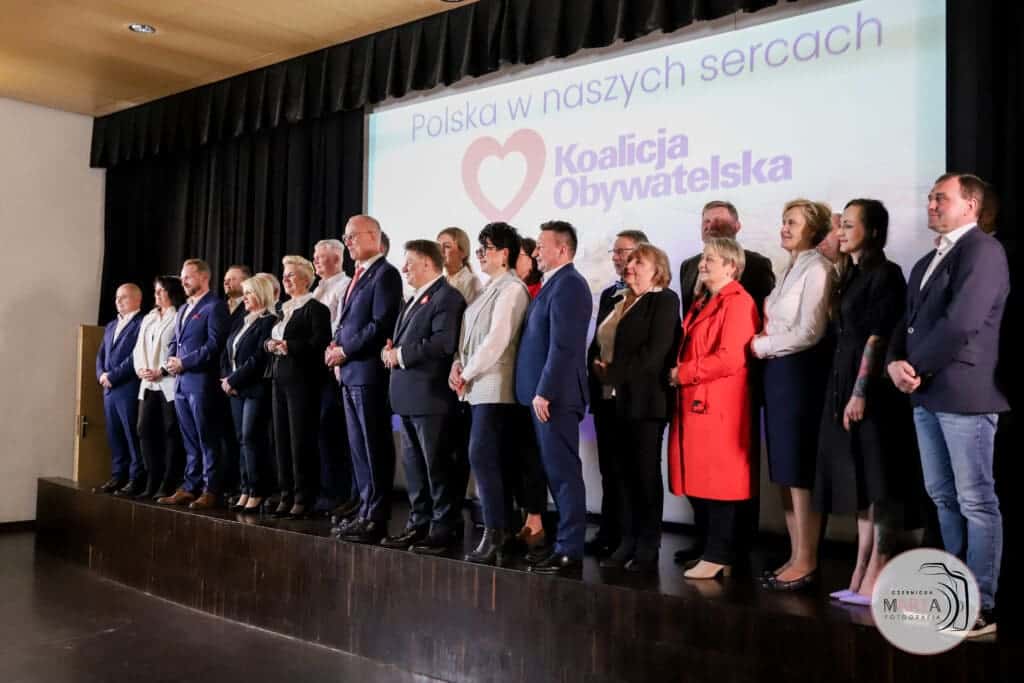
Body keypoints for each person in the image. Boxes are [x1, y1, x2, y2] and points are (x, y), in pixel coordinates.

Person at [887, 173, 1010, 637]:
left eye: (941, 197)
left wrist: (914, 366)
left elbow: (963, 322)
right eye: (930, 198)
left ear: (971, 205)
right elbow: (906, 322)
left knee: (976, 500)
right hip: (925, 393)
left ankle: (981, 604)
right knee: (943, 496)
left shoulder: (983, 251)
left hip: (964, 394)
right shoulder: (926, 260)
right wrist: (894, 362)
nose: (931, 204)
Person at [815, 199, 923, 604]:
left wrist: (860, 393)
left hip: (875, 393)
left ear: (873, 230)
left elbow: (878, 337)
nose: (841, 232)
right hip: (842, 384)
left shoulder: (887, 274)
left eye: (849, 225)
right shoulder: (851, 275)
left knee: (880, 484)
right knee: (861, 484)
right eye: (840, 225)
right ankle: (860, 570)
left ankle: (879, 571)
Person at [751, 200, 833, 590]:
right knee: (783, 469)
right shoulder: (789, 268)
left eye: (792, 223)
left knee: (799, 469)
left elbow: (810, 331)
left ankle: (807, 559)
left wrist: (761, 346)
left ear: (812, 229)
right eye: (783, 221)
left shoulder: (818, 268)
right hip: (779, 372)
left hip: (801, 373)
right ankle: (795, 553)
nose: (784, 228)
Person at [668, 237, 758, 579]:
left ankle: (719, 554)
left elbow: (730, 358)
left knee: (720, 481)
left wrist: (683, 373)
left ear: (732, 266)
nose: (702, 264)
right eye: (704, 258)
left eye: (710, 259)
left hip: (720, 404)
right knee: (701, 479)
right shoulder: (705, 300)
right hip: (698, 401)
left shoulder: (738, 303)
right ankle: (712, 550)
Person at [593, 243, 680, 572]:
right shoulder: (620, 299)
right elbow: (601, 344)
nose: (629, 266)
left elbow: (655, 353)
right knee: (621, 474)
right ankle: (626, 540)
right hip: (613, 401)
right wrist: (597, 370)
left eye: (638, 262)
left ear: (657, 269)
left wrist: (613, 373)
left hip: (646, 402)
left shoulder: (665, 300)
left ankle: (647, 545)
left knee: (644, 475)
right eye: (628, 261)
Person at [450, 223, 531, 564]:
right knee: (486, 459)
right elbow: (469, 338)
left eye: (488, 248)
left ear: (505, 253)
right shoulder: (487, 289)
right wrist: (457, 364)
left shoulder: (512, 289)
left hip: (496, 388)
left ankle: (495, 531)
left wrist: (467, 372)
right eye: (480, 247)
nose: (481, 254)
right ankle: (501, 531)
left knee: (484, 458)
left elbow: (497, 340)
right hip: (475, 387)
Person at [515, 220, 593, 576]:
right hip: (543, 398)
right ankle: (560, 544)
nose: (535, 252)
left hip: (555, 398)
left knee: (563, 475)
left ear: (562, 249)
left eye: (541, 246)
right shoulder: (554, 284)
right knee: (554, 472)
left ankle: (569, 550)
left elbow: (564, 346)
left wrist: (545, 390)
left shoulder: (570, 285)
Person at [380, 240, 467, 554]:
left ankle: (443, 529)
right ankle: (418, 524)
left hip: (431, 399)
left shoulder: (447, 297)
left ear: (428, 264)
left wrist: (400, 355)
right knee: (415, 469)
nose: (404, 268)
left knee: (437, 469)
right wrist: (390, 351)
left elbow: (443, 343)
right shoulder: (413, 298)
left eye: (409, 263)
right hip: (408, 398)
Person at [326, 215, 403, 544]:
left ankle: (377, 517)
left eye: (353, 236)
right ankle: (364, 510)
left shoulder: (386, 274)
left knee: (374, 447)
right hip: (350, 374)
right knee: (359, 449)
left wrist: (345, 350)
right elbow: (347, 322)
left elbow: (381, 324)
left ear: (373, 236)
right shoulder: (358, 275)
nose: (348, 242)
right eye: (346, 237)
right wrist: (334, 345)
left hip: (369, 374)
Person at [585, 228, 649, 557]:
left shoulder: (655, 296)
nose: (617, 258)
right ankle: (609, 531)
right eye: (614, 252)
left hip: (632, 396)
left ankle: (631, 537)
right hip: (604, 394)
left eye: (623, 251)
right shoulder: (611, 292)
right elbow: (598, 342)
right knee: (608, 469)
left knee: (631, 470)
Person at [158, 259, 229, 510]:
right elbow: (174, 341)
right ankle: (190, 486)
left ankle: (211, 489)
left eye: (188, 277)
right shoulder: (184, 308)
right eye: (182, 277)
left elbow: (214, 345)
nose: (183, 281)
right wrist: (170, 360)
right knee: (189, 439)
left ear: (203, 277)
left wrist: (185, 362)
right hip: (181, 383)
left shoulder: (215, 306)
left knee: (206, 437)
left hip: (201, 383)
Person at [265, 255, 331, 518]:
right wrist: (269, 345)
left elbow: (320, 343)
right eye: (284, 275)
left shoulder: (316, 309)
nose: (286, 279)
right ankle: (286, 493)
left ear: (306, 278)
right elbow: (270, 338)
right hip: (279, 380)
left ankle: (304, 496)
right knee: (281, 439)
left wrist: (290, 346)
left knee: (300, 440)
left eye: (291, 275)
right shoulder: (283, 309)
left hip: (303, 382)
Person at [220, 274, 278, 513]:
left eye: (249, 293)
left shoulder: (269, 321)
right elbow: (227, 352)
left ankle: (257, 491)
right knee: (241, 439)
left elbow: (258, 358)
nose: (244, 298)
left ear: (261, 294)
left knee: (251, 437)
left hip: (254, 389)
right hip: (235, 389)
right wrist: (226, 379)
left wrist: (234, 379)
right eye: (244, 293)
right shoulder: (243, 320)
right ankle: (244, 488)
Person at [311, 239, 357, 519]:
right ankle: (323, 490)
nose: (315, 261)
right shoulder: (318, 288)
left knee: (334, 432)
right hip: (313, 370)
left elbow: (338, 327)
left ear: (337, 259)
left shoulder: (345, 286)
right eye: (315, 257)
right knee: (320, 432)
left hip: (334, 367)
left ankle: (339, 493)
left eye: (320, 257)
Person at [509, 234, 548, 551]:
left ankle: (535, 518)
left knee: (532, 456)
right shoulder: (509, 289)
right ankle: (521, 514)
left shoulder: (538, 292)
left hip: (533, 388)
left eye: (520, 255)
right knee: (516, 456)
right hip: (511, 387)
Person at [132, 276, 186, 499]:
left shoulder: (179, 315)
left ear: (172, 292)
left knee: (171, 432)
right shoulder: (150, 317)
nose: (156, 294)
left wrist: (162, 370)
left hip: (168, 382)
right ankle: (152, 479)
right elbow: (138, 348)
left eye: (161, 291)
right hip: (147, 382)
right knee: (144, 429)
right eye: (155, 290)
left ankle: (169, 481)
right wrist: (141, 369)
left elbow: (179, 349)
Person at [678, 201, 775, 317]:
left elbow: (763, 315)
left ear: (737, 227)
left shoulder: (757, 264)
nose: (711, 226)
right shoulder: (688, 266)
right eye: (706, 221)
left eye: (719, 221)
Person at [93, 284, 145, 496]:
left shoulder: (142, 323)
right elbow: (100, 355)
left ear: (137, 299)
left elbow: (136, 356)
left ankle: (136, 478)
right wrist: (101, 375)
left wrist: (113, 376)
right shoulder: (111, 325)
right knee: (114, 435)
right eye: (117, 297)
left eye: (124, 297)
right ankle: (118, 475)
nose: (118, 301)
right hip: (109, 390)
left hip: (127, 388)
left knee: (131, 434)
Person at [438, 227, 483, 304]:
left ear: (463, 253)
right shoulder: (441, 282)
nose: (441, 251)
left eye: (447, 246)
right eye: (438, 246)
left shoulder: (472, 282)